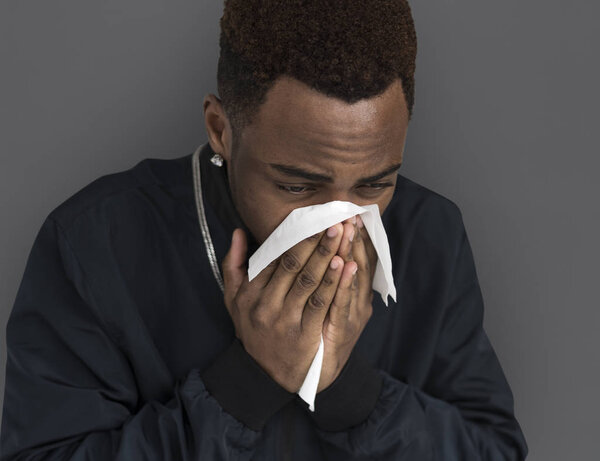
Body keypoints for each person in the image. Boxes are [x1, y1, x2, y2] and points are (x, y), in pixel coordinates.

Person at [0, 1, 528, 460]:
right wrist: (246, 383)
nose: (338, 228)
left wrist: (346, 389)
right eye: (298, 188)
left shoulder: (430, 232)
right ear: (221, 130)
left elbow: (492, 449)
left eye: (373, 187)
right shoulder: (95, 243)